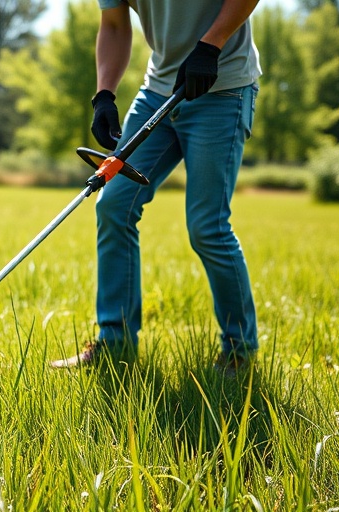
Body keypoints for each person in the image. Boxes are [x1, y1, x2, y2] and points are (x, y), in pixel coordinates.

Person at [50, 0, 261, 374]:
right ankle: (115, 343)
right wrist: (104, 95)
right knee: (114, 206)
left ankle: (238, 351)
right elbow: (114, 25)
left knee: (207, 226)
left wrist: (212, 44)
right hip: (159, 93)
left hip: (223, 85)